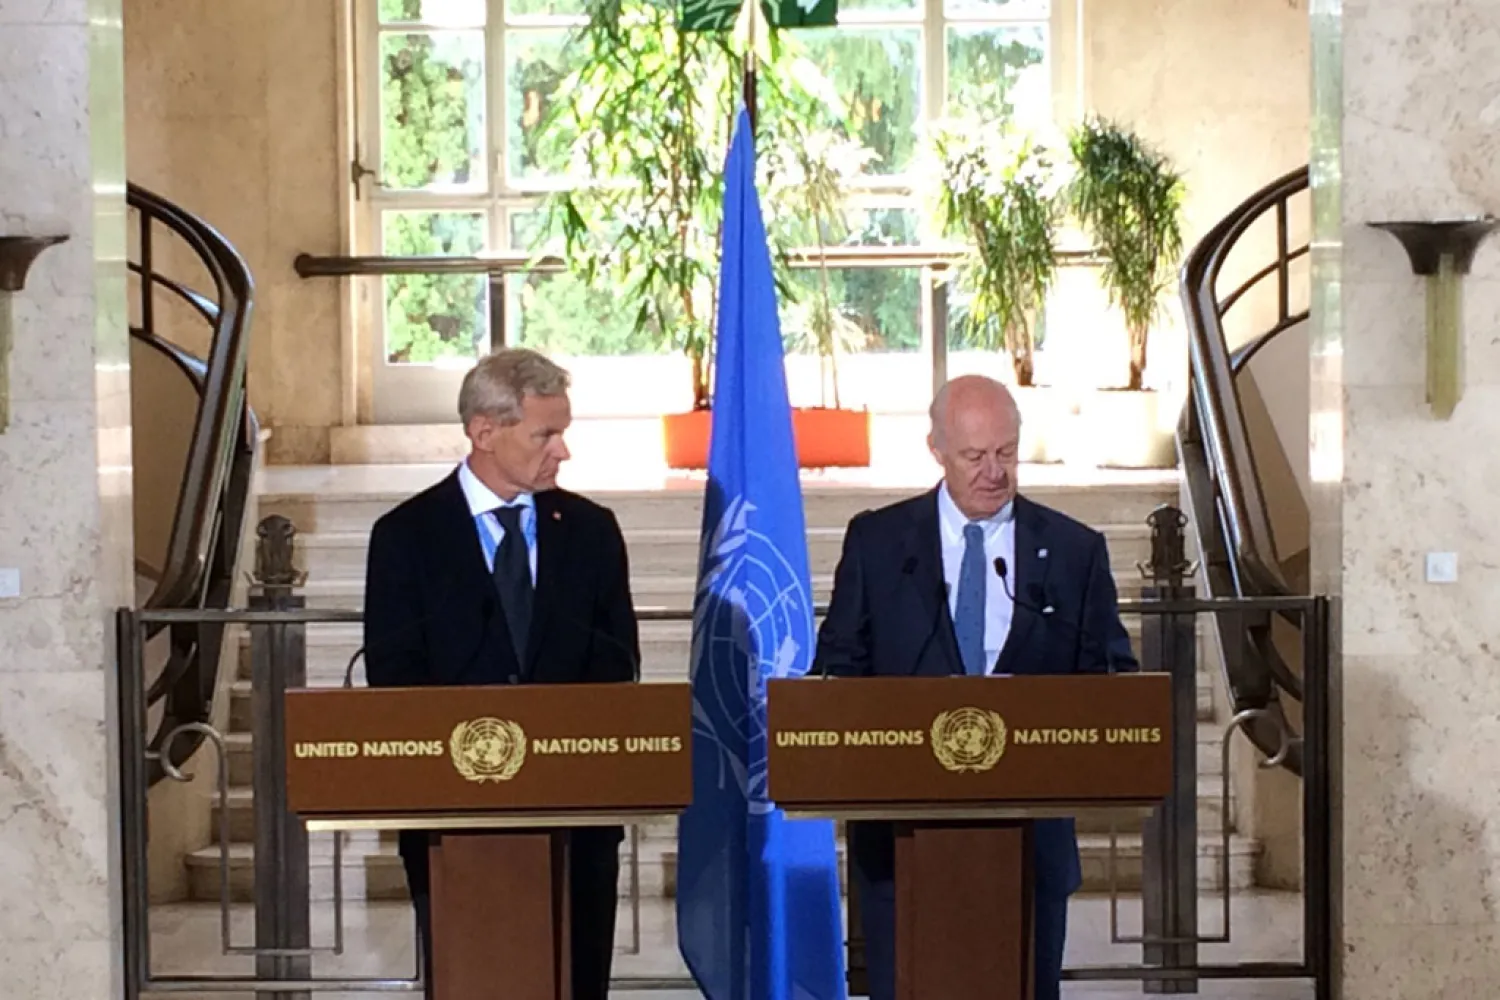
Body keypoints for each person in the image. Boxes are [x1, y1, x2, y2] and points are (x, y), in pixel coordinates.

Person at [811, 374, 1138, 1000]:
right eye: (975, 456)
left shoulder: (1074, 551)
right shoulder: (880, 543)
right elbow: (840, 670)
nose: (995, 472)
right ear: (935, 449)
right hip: (902, 839)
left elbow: (1110, 681)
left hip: (1029, 839)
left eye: (1007, 453)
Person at [362, 348, 639, 1000]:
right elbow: (396, 679)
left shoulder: (591, 533)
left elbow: (616, 668)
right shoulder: (407, 537)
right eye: (546, 433)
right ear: (484, 432)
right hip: (454, 824)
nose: (562, 451)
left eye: (563, 432)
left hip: (577, 823)